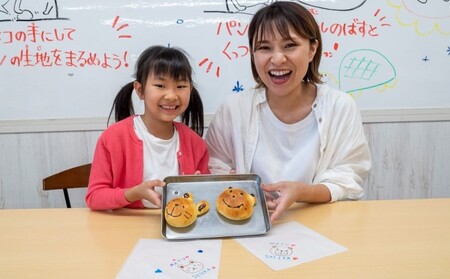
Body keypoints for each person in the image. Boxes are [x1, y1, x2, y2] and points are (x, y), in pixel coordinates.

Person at [205, 1, 372, 222]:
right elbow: (215, 167)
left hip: (321, 224)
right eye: (264, 48)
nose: (277, 59)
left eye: (290, 45)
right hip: (248, 224)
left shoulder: (339, 106)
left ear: (312, 49)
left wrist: (301, 192)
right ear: (253, 54)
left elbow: (348, 177)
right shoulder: (234, 109)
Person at [86, 45, 210, 210]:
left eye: (180, 86)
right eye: (160, 85)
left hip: (178, 227)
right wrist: (134, 193)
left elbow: (205, 199)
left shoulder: (196, 143)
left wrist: (202, 189)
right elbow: (94, 197)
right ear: (140, 90)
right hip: (127, 229)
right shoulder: (113, 138)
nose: (171, 96)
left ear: (190, 90)